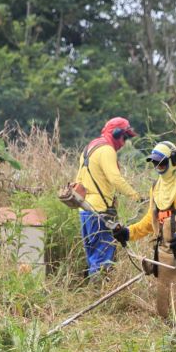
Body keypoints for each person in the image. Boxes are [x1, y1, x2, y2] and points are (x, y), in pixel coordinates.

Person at [112, 141, 176, 319]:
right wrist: (128, 232)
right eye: (155, 163)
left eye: (162, 162)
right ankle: (172, 335)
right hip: (166, 252)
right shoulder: (156, 188)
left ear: (174, 160)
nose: (158, 166)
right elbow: (150, 221)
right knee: (167, 304)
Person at [72, 117, 140, 277]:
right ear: (116, 133)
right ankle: (101, 295)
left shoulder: (90, 147)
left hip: (85, 210)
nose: (124, 143)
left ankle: (95, 294)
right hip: (100, 212)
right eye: (125, 137)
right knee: (103, 260)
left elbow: (78, 181)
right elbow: (115, 178)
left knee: (94, 258)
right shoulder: (107, 150)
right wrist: (136, 196)